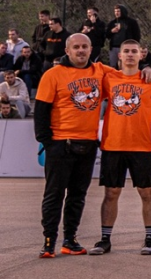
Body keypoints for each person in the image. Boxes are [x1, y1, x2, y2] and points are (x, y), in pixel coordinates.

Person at [89, 39, 151, 255]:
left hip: (141, 145)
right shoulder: (109, 78)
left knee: (146, 192)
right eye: (126, 51)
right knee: (111, 192)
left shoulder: (150, 80)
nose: (130, 54)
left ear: (141, 55)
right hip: (113, 144)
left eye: (134, 51)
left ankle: (150, 239)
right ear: (120, 55)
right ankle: (105, 239)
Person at [34, 33, 105, 258]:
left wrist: (149, 70)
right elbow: (41, 112)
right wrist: (48, 143)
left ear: (91, 49)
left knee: (78, 195)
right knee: (54, 194)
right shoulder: (53, 74)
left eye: (85, 46)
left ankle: (70, 239)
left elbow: (127, 75)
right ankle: (49, 241)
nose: (81, 51)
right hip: (60, 144)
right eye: (76, 47)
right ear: (67, 50)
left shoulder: (100, 72)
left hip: (87, 144)